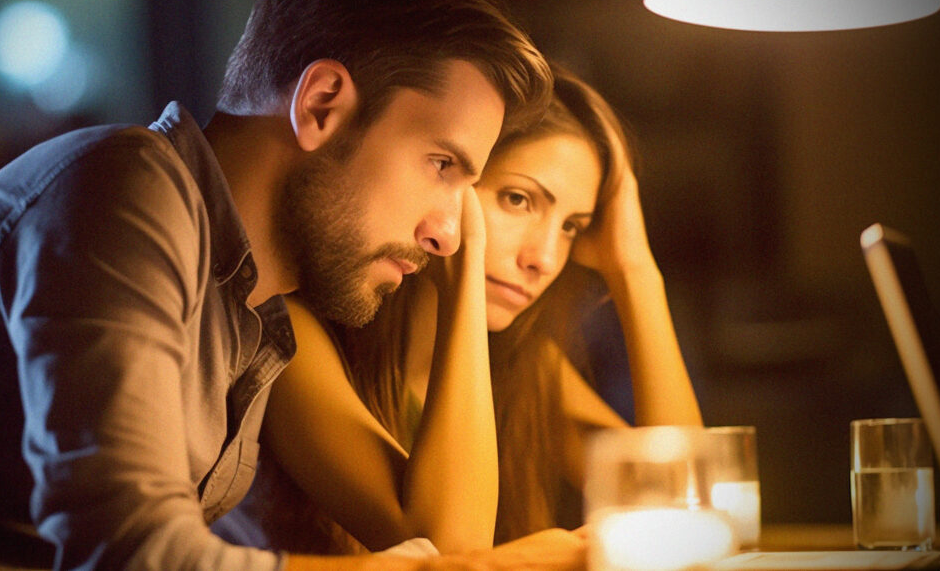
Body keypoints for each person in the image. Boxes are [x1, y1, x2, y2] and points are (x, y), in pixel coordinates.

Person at [0, 0, 594, 568]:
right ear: (321, 103)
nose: (453, 237)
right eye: (441, 165)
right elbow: (131, 553)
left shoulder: (251, 313)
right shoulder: (124, 188)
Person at [218, 62, 703, 555]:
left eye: (572, 226)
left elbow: (687, 505)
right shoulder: (292, 332)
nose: (545, 259)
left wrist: (635, 269)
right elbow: (445, 551)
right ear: (448, 177)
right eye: (518, 200)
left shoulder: (522, 363)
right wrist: (464, 265)